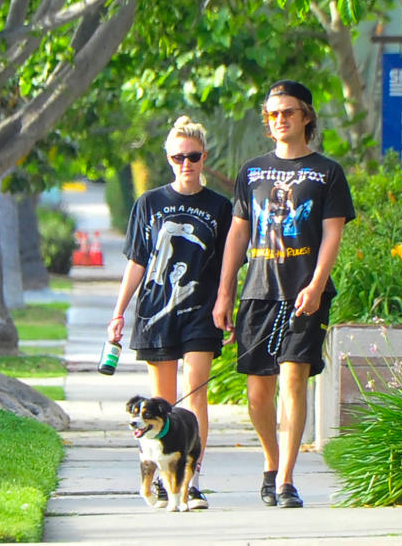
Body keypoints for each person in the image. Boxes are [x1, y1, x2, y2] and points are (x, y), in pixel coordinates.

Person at [212, 80, 355, 508]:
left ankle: (288, 480)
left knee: (293, 378)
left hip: (305, 293)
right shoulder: (251, 171)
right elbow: (239, 232)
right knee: (259, 392)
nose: (280, 120)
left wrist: (315, 285)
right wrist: (225, 293)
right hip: (258, 290)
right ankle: (271, 462)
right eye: (273, 114)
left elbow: (333, 233)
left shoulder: (328, 172)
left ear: (306, 116)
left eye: (288, 112)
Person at [108, 116, 232, 510]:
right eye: (178, 156)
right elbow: (137, 262)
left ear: (203, 157)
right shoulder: (149, 203)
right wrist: (118, 311)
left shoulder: (220, 207)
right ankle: (163, 479)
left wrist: (227, 303)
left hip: (202, 309)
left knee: (195, 398)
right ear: (168, 158)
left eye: (193, 156)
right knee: (162, 403)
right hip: (156, 311)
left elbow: (230, 262)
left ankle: (191, 481)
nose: (186, 163)